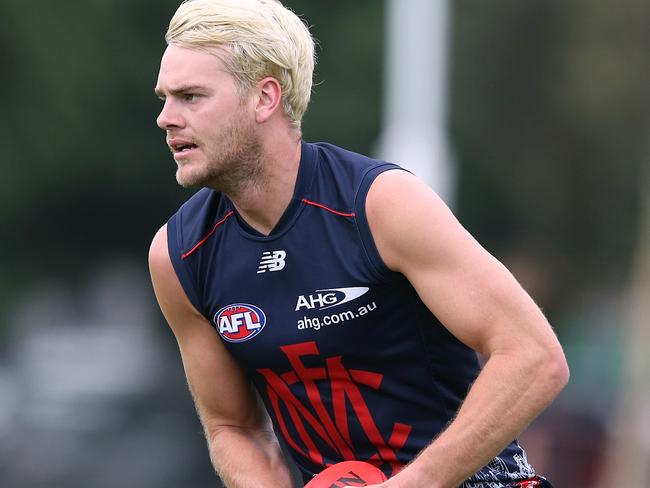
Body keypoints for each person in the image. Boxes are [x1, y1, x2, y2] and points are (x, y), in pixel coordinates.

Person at [148, 0, 570, 487]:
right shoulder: (179, 255)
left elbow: (534, 357)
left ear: (265, 98)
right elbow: (233, 427)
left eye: (190, 96)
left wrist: (416, 483)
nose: (165, 117)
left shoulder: (381, 205)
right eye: (164, 98)